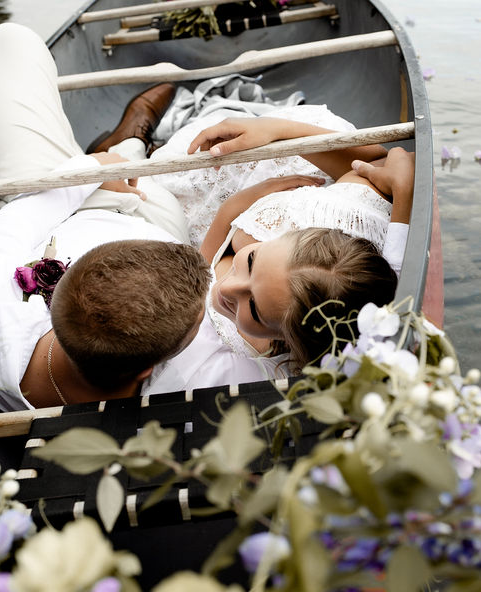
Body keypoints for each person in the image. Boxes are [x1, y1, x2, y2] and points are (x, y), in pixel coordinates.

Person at [0, 23, 211, 412]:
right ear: (148, 371)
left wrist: (90, 170)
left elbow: (9, 227)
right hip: (151, 211)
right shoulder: (191, 375)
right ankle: (131, 145)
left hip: (43, 206)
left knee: (10, 41)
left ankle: (119, 148)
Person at [142, 114, 416, 395]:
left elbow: (202, 274)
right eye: (251, 260)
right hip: (275, 179)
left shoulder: (277, 358)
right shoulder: (342, 216)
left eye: (255, 310)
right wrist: (277, 131)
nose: (226, 287)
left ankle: (134, 139)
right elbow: (385, 161)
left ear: (291, 341)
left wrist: (228, 212)